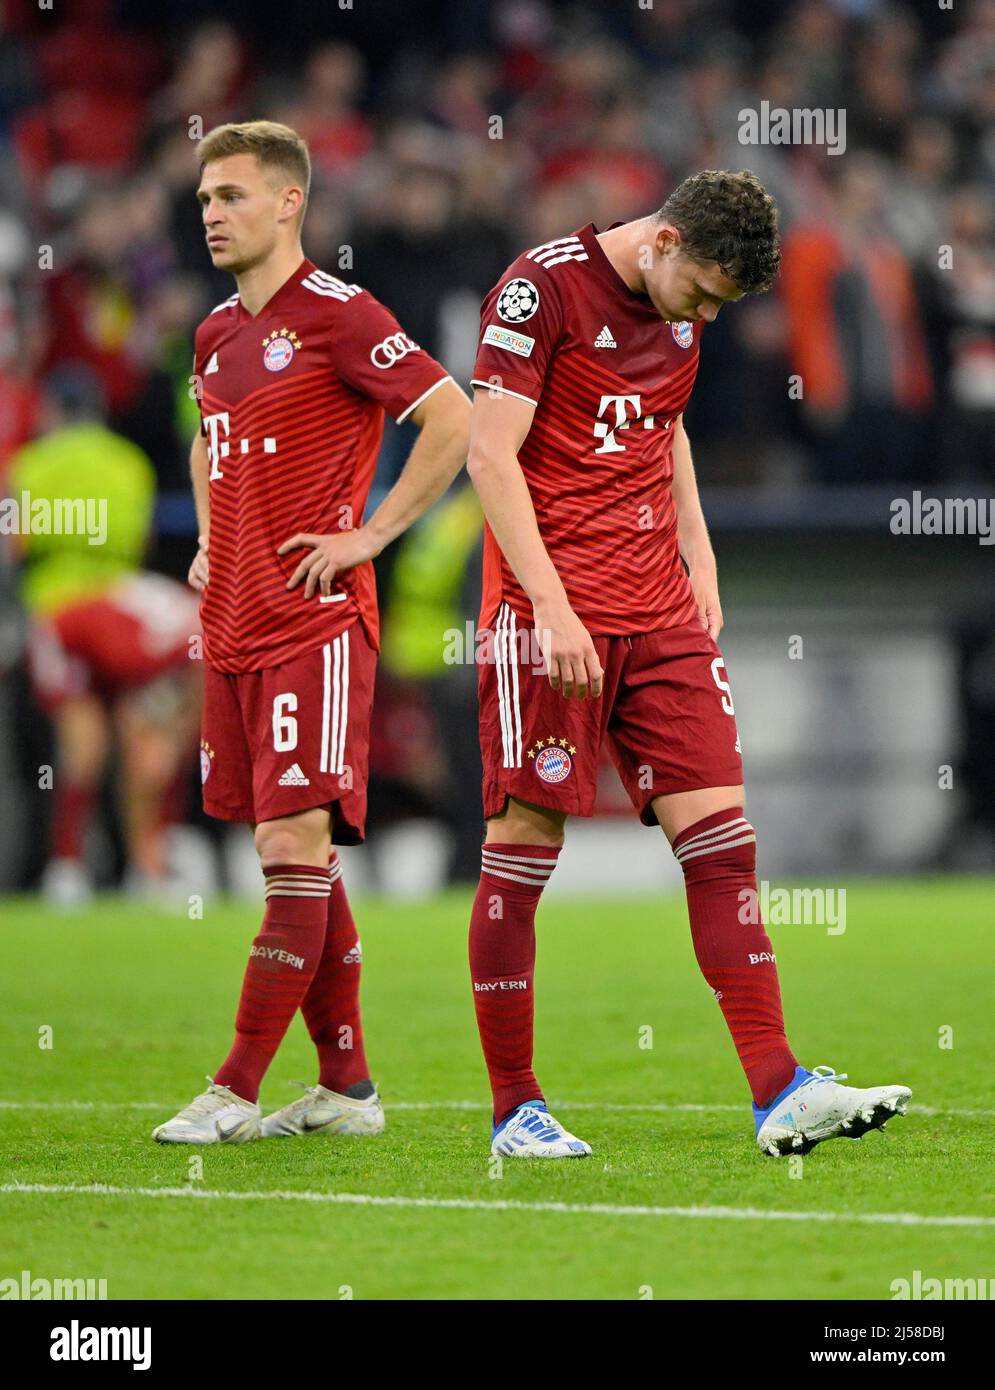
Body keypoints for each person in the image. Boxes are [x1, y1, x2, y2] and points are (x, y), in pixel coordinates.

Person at [465, 170, 912, 1159]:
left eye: (719, 304)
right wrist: (547, 605)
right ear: (661, 241)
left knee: (722, 844)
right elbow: (489, 456)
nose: (704, 314)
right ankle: (514, 1109)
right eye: (702, 293)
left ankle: (777, 1090)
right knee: (524, 851)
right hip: (548, 617)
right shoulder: (538, 292)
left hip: (657, 610)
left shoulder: (684, 307)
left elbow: (662, 431)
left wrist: (698, 555)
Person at [153, 120, 471, 1145]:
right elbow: (211, 447)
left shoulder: (340, 314)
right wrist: (209, 539)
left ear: (290, 203)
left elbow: (449, 413)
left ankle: (234, 1087)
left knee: (294, 844)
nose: (212, 213)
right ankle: (346, 1089)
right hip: (234, 618)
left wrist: (369, 533)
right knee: (293, 857)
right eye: (205, 198)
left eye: (232, 195)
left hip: (315, 623)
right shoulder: (210, 336)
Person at [10, 366, 201, 905]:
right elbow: (139, 541)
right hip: (121, 611)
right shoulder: (129, 463)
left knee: (80, 748)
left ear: (53, 413)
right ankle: (147, 868)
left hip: (57, 615)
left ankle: (67, 871)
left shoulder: (32, 463)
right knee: (142, 744)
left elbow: (16, 544)